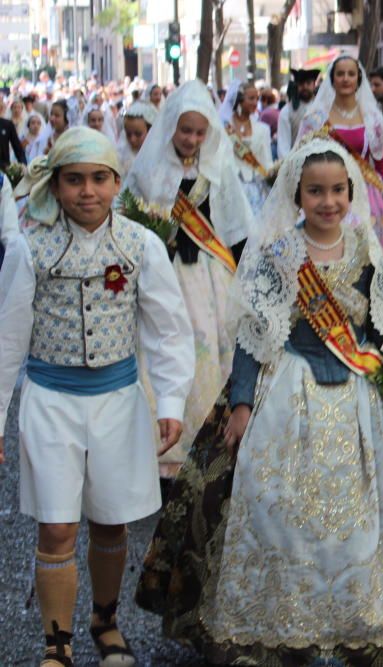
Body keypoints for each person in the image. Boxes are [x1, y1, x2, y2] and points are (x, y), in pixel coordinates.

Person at [135, 138, 383, 665]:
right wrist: (240, 405)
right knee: (268, 499)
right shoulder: (279, 255)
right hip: (289, 387)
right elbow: (255, 337)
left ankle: (376, 613)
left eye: (338, 191)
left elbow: (380, 330)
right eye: (315, 191)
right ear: (296, 195)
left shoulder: (367, 249)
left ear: (351, 193)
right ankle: (280, 620)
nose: (328, 201)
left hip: (361, 387)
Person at [0, 127, 194, 667]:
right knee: (57, 525)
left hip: (117, 400)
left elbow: (167, 329)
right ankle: (55, 644)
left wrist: (172, 403)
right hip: (51, 402)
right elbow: (8, 337)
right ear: (57, 186)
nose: (88, 191)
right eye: (75, 180)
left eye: (99, 179)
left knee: (111, 520)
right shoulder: (30, 248)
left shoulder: (140, 245)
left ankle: (104, 622)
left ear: (116, 182)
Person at [123, 80, 253, 480]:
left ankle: (205, 440)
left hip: (206, 274)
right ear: (171, 127)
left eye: (199, 132)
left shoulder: (217, 166)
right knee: (157, 346)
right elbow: (130, 217)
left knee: (206, 347)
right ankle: (156, 440)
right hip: (162, 271)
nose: (192, 139)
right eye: (185, 131)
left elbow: (235, 222)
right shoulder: (149, 166)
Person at [296, 56, 383, 274]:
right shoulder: (315, 118)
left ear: (358, 79)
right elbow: (300, 159)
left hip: (366, 193)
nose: (345, 79)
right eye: (340, 74)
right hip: (327, 192)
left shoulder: (372, 118)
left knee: (369, 259)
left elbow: (382, 163)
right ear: (332, 79)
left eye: (351, 74)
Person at [221, 81, 274, 211]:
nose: (255, 102)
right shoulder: (224, 128)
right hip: (230, 187)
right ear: (239, 100)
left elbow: (266, 160)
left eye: (257, 98)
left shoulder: (263, 129)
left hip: (256, 188)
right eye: (251, 98)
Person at [277, 68, 320, 158]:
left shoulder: (321, 109)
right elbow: (283, 144)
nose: (305, 87)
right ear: (296, 86)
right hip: (295, 160)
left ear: (314, 85)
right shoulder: (287, 111)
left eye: (308, 83)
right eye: (301, 84)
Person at [116, 100, 156, 177]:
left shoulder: (159, 154)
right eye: (128, 134)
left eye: (138, 134)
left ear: (150, 131)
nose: (132, 139)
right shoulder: (120, 155)